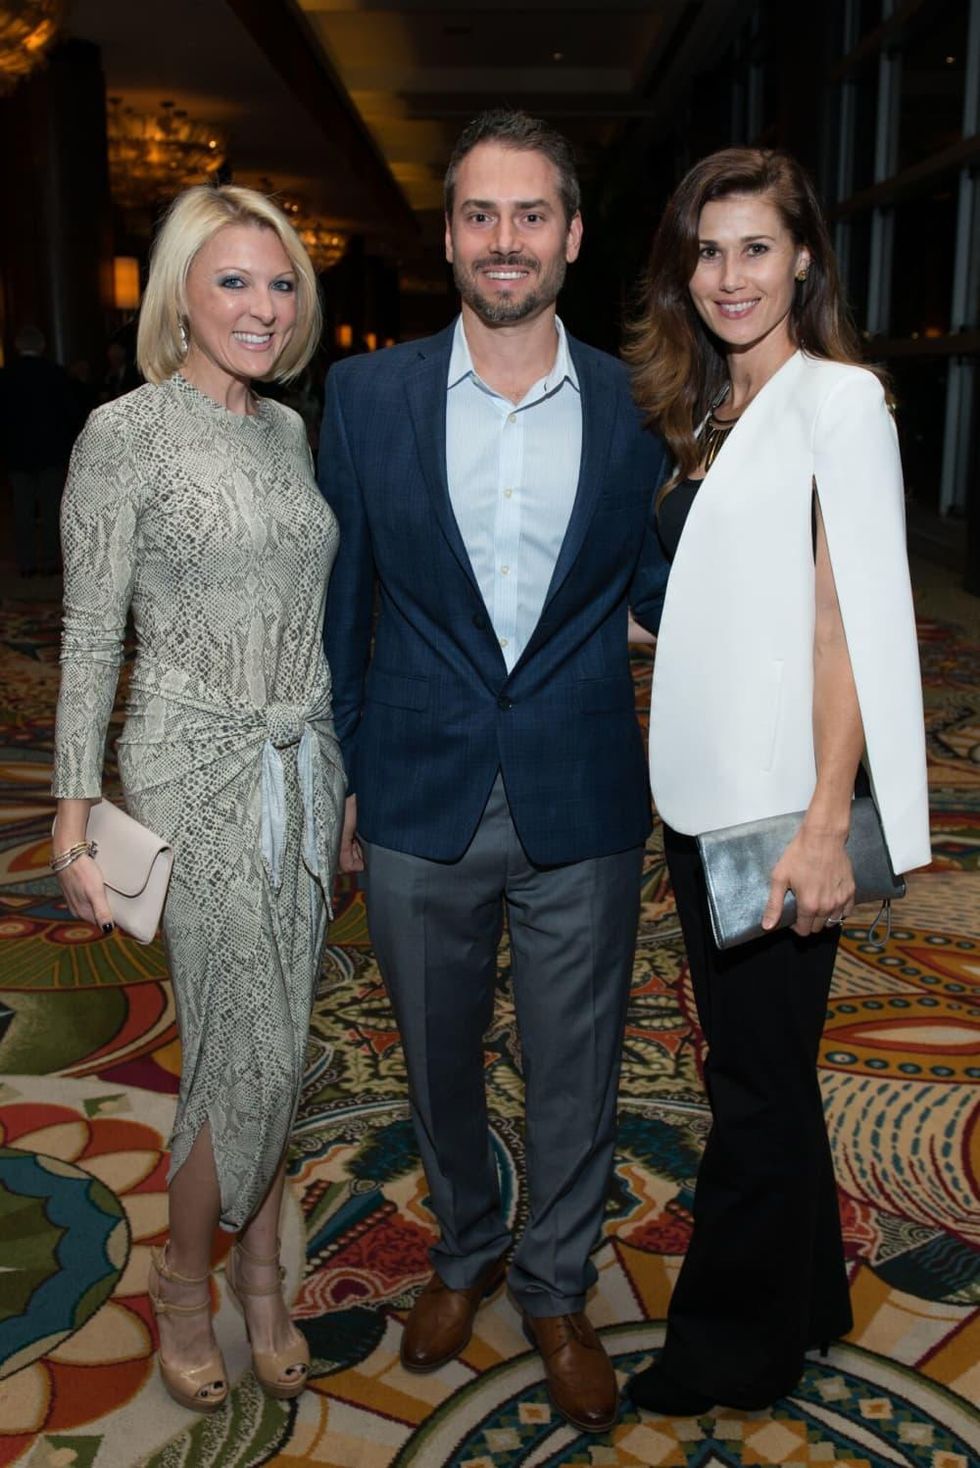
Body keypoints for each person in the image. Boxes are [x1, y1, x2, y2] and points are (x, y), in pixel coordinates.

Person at [318, 109, 668, 1434]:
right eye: (481, 214)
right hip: (414, 790)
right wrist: (346, 779)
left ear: (572, 238)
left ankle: (561, 1285)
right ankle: (467, 1248)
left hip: (580, 786)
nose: (505, 240)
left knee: (578, 1062)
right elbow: (344, 607)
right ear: (450, 235)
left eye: (532, 215)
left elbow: (649, 589)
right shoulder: (367, 396)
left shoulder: (640, 400)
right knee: (434, 1056)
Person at [623, 147, 930, 1416]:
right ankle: (809, 1297)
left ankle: (725, 1347)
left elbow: (841, 623)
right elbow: (712, 595)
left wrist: (820, 827)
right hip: (708, 796)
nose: (727, 275)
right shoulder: (713, 411)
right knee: (764, 1069)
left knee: (751, 1086)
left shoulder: (836, 401)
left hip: (775, 808)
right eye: (707, 250)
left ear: (803, 257)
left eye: (754, 247)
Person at [51, 185, 345, 1413]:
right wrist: (72, 808)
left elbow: (308, 614)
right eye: (234, 281)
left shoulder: (284, 434)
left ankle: (262, 1274)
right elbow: (86, 628)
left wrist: (339, 776)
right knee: (251, 1043)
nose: (263, 308)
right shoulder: (124, 432)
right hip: (190, 764)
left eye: (279, 284)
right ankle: (190, 1279)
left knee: (273, 1035)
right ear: (179, 289)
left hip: (300, 762)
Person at [0, 325, 78, 575]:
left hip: (17, 453)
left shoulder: (6, 375)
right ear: (43, 346)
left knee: (22, 510)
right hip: (51, 451)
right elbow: (70, 413)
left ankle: (26, 563)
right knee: (51, 508)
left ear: (17, 346)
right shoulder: (55, 374)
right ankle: (51, 561)